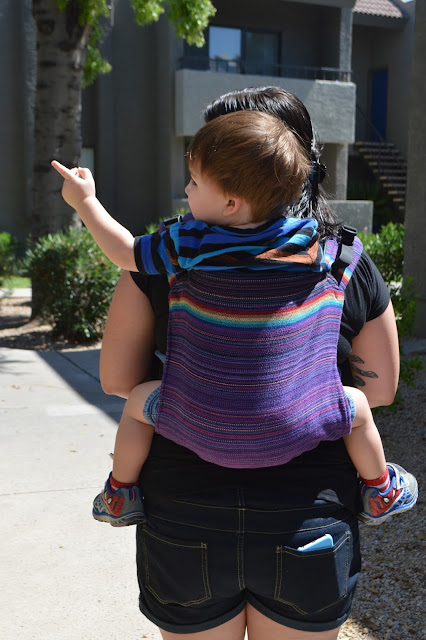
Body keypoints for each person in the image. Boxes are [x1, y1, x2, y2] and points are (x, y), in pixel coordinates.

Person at [59, 87, 413, 639]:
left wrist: (85, 202)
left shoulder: (178, 249)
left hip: (184, 511)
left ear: (228, 195)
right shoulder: (337, 255)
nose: (186, 188)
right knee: (357, 407)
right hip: (308, 517)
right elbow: (383, 388)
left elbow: (116, 378)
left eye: (197, 176)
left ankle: (117, 491)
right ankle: (381, 486)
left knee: (137, 404)